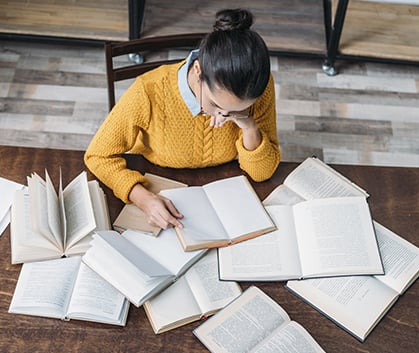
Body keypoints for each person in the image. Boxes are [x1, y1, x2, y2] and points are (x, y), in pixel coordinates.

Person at [84, 8, 280, 231]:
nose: (222, 117)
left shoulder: (258, 88)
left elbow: (261, 173)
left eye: (238, 110)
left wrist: (249, 126)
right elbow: (97, 155)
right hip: (159, 178)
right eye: (216, 105)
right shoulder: (148, 91)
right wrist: (141, 197)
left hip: (224, 191)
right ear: (198, 70)